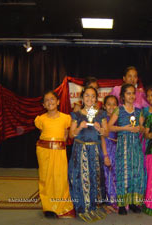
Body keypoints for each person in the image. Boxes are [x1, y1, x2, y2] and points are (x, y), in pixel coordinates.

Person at [68, 86, 110, 222]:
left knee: (95, 178)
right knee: (82, 178)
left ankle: (93, 206)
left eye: (93, 96)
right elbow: (71, 134)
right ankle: (83, 207)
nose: (90, 99)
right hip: (81, 150)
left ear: (96, 99)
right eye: (87, 96)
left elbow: (107, 133)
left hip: (95, 150)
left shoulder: (101, 114)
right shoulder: (76, 114)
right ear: (82, 98)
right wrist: (80, 127)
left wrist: (100, 129)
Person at [34, 91, 75, 218]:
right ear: (43, 105)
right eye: (46, 100)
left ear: (58, 102)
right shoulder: (40, 119)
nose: (50, 102)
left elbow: (67, 134)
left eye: (52, 99)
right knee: (46, 178)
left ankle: (63, 207)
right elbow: (43, 131)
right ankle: (48, 207)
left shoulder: (66, 118)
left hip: (59, 151)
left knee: (60, 178)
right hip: (43, 151)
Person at [108, 83, 146, 215]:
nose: (131, 96)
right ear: (123, 96)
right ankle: (123, 204)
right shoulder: (119, 110)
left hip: (135, 145)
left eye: (133, 93)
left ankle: (134, 202)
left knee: (136, 172)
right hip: (123, 144)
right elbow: (109, 127)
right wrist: (125, 128)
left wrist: (139, 128)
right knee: (123, 173)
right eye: (128, 93)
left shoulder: (138, 111)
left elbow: (143, 128)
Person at [102, 95, 119, 213]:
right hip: (107, 148)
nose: (111, 107)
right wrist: (105, 155)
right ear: (104, 106)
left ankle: (117, 200)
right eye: (108, 104)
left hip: (118, 148)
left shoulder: (120, 119)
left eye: (114, 104)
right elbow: (103, 136)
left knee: (117, 174)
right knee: (107, 174)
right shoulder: (103, 119)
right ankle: (109, 202)